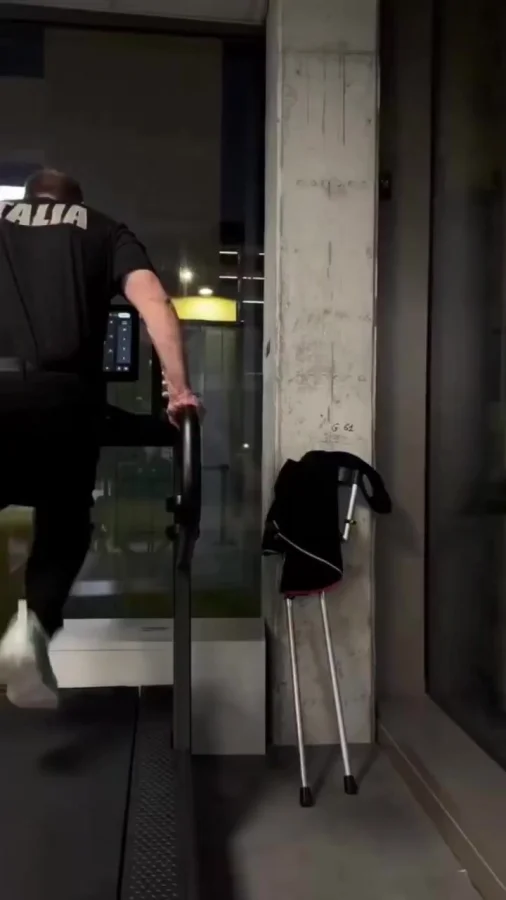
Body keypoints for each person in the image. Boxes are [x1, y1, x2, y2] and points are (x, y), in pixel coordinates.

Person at [0, 168, 199, 709]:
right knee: (63, 521)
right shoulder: (104, 229)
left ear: (27, 198)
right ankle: (32, 628)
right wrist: (179, 392)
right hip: (62, 401)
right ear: (75, 202)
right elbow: (154, 302)